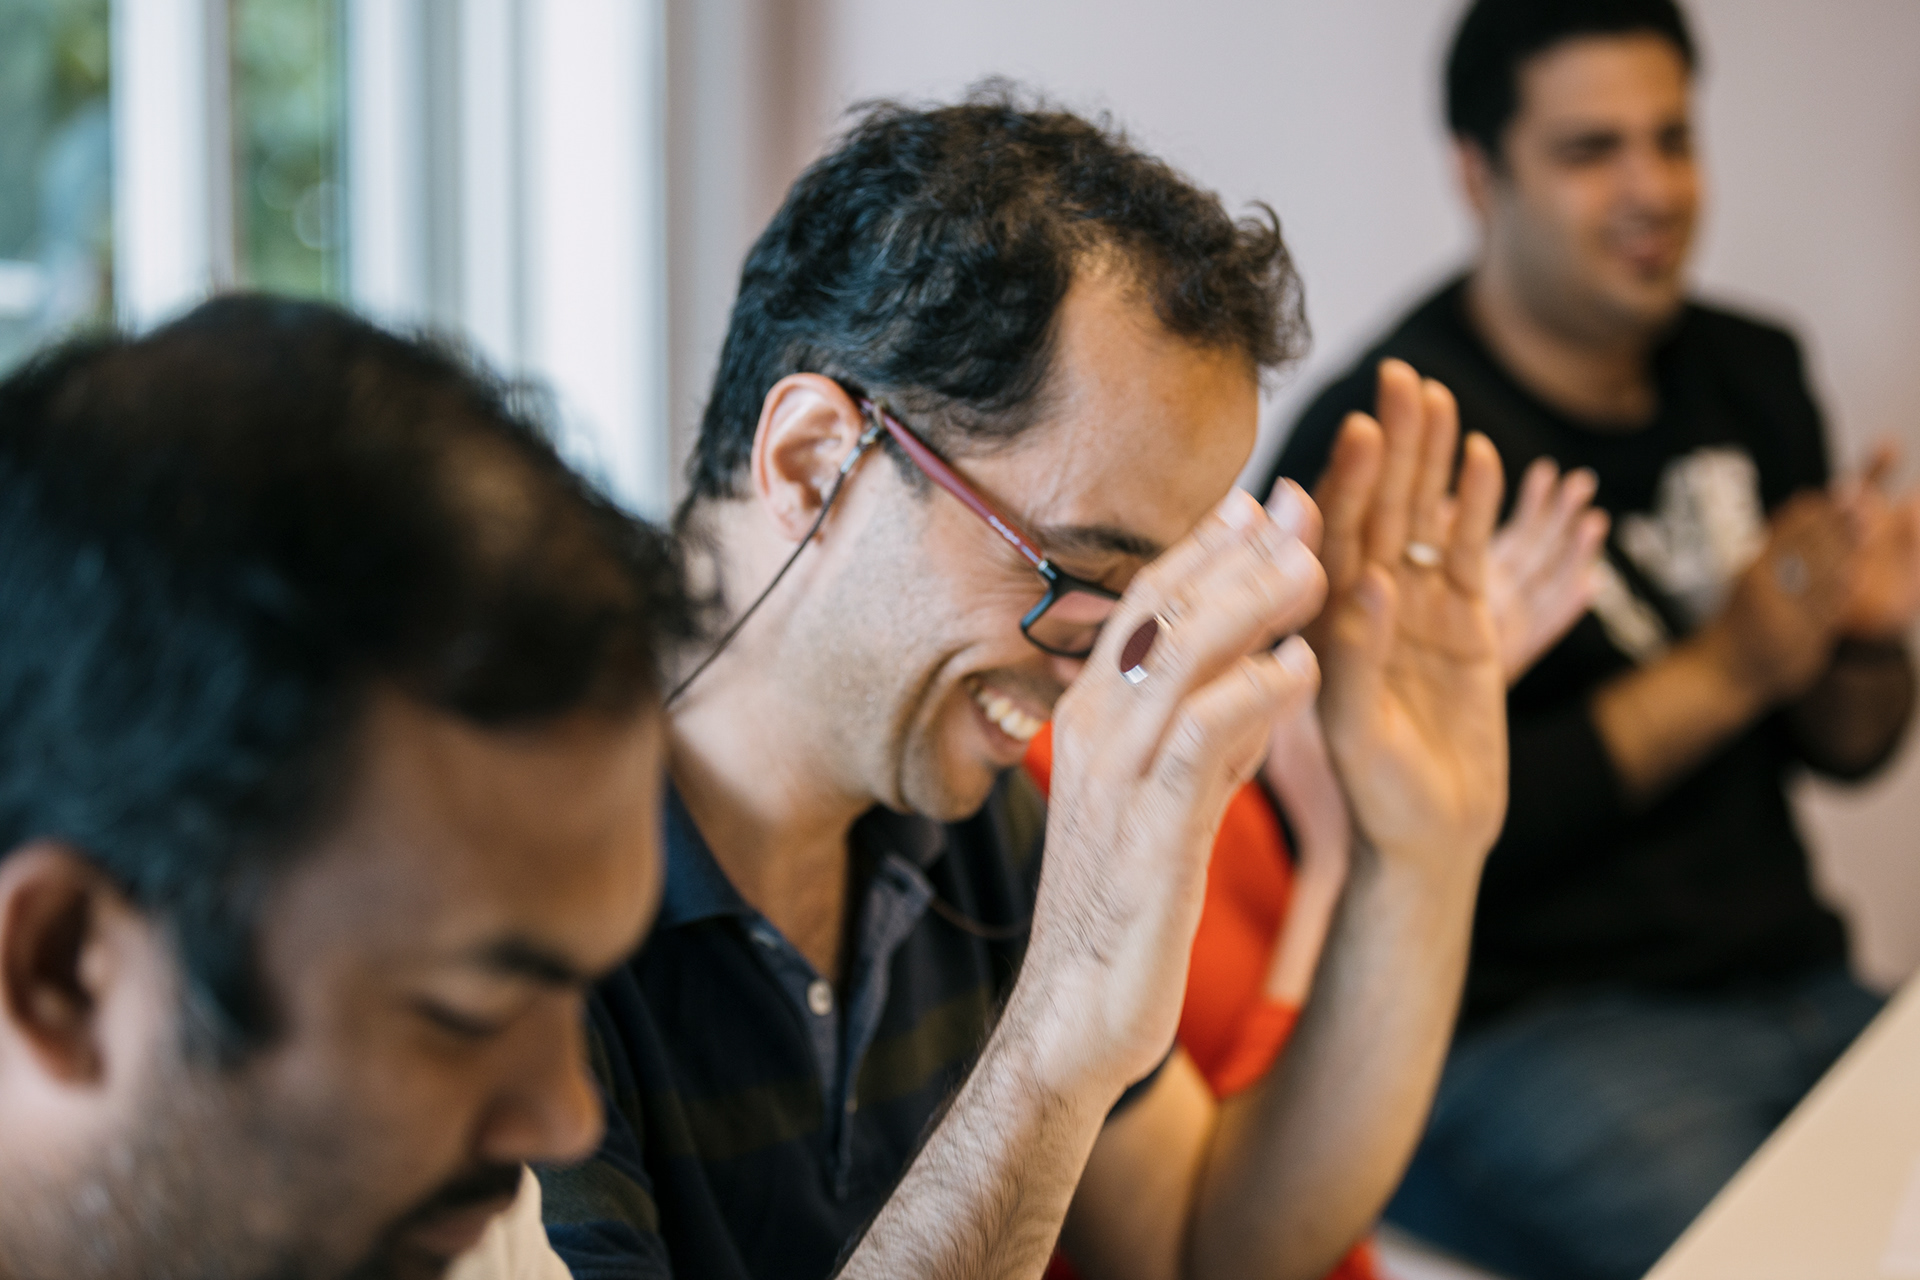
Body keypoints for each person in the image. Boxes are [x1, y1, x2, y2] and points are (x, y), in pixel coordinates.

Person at [537, 90, 1513, 1280]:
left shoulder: (967, 821)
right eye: (1079, 574)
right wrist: (1058, 1033)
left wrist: (1422, 854)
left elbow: (1198, 1249)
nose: (1116, 663)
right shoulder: (497, 901)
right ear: (810, 463)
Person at [1269, 2, 1920, 1277]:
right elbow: (1362, 830)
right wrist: (1727, 665)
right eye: (1590, 151)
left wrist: (1860, 641)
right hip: (1522, 1032)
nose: (1651, 190)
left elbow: (1845, 748)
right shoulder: (1386, 437)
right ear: (1479, 173)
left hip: (1795, 975)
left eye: (1671, 140)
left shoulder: (1752, 369)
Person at [0, 295, 694, 1280]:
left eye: (573, 990)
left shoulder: (430, 1230)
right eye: (467, 1008)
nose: (568, 1116)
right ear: (63, 969)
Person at [1022, 448, 1607, 1280]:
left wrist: (1392, 836)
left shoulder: (1211, 754)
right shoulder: (1035, 791)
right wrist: (1342, 858)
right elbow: (1219, 1204)